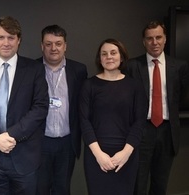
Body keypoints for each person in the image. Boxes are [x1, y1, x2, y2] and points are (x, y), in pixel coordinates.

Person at [0, 16, 49, 195]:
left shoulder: (34, 69)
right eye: (1, 37)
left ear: (19, 40)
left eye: (11, 37)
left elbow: (40, 107)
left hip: (25, 156)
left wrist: (11, 135)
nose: (6, 42)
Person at [126, 21, 189, 195]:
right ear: (143, 41)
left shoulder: (180, 66)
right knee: (138, 184)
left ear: (165, 39)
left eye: (158, 37)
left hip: (167, 132)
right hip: (141, 131)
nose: (155, 42)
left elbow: (182, 97)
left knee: (160, 185)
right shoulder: (132, 66)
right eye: (150, 38)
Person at [79, 38, 147, 195]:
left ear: (121, 57)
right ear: (100, 59)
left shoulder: (135, 86)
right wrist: (99, 155)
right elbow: (84, 121)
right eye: (104, 54)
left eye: (113, 53)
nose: (109, 57)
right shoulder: (89, 85)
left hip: (126, 157)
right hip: (96, 157)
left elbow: (139, 122)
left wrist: (125, 154)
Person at [36, 24, 87, 195]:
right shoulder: (31, 68)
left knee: (63, 188)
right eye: (48, 43)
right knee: (39, 188)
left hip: (67, 141)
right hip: (40, 141)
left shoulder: (79, 70)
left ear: (65, 46)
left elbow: (82, 106)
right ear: (42, 46)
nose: (53, 48)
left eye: (58, 43)